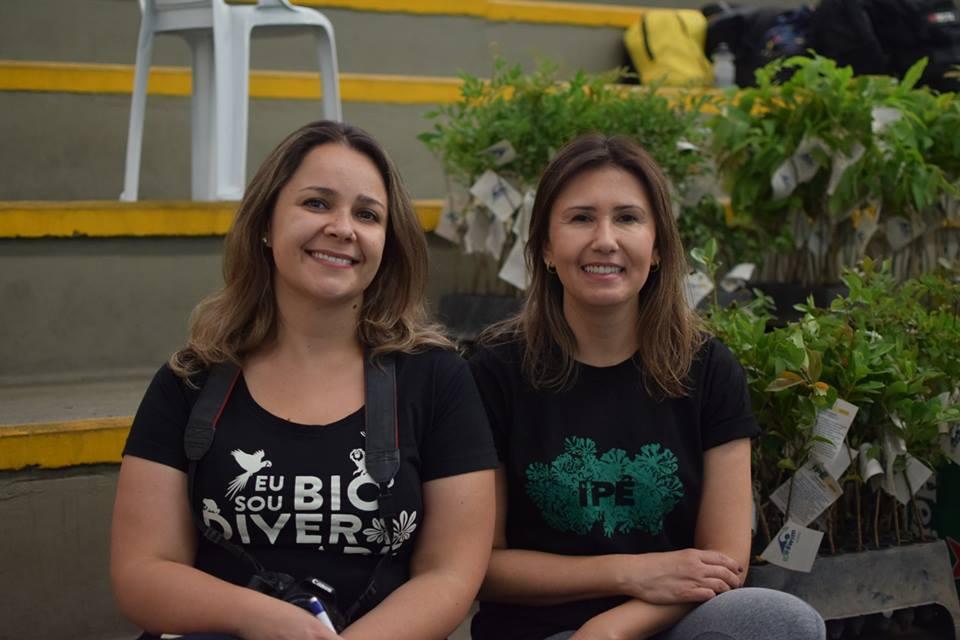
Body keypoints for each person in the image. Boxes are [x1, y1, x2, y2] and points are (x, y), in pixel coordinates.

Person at [111, 120, 498, 640]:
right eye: (316, 203)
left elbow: (449, 574)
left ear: (388, 243)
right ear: (266, 225)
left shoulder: (437, 379)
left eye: (367, 214)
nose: (343, 228)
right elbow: (142, 572)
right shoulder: (189, 379)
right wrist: (270, 620)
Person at [468, 134, 826, 640]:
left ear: (657, 248)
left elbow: (725, 563)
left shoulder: (708, 369)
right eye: (581, 218)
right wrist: (630, 573)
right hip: (540, 632)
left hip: (667, 624)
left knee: (783, 621)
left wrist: (612, 629)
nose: (605, 240)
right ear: (546, 247)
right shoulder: (494, 372)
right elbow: (481, 565)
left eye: (628, 218)